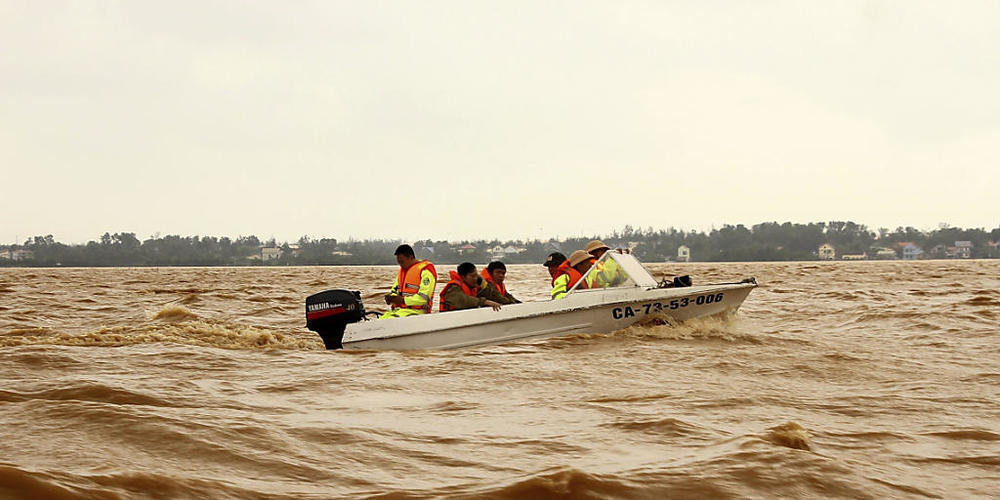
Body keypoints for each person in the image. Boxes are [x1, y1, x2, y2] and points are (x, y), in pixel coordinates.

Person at [380, 244, 437, 319]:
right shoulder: (403, 272)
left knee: (390, 320)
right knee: (381, 319)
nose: (400, 265)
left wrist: (403, 300)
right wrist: (391, 298)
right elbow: (395, 290)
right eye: (399, 263)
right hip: (400, 310)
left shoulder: (425, 271)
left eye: (402, 262)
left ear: (411, 258)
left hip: (417, 312)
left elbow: (423, 299)